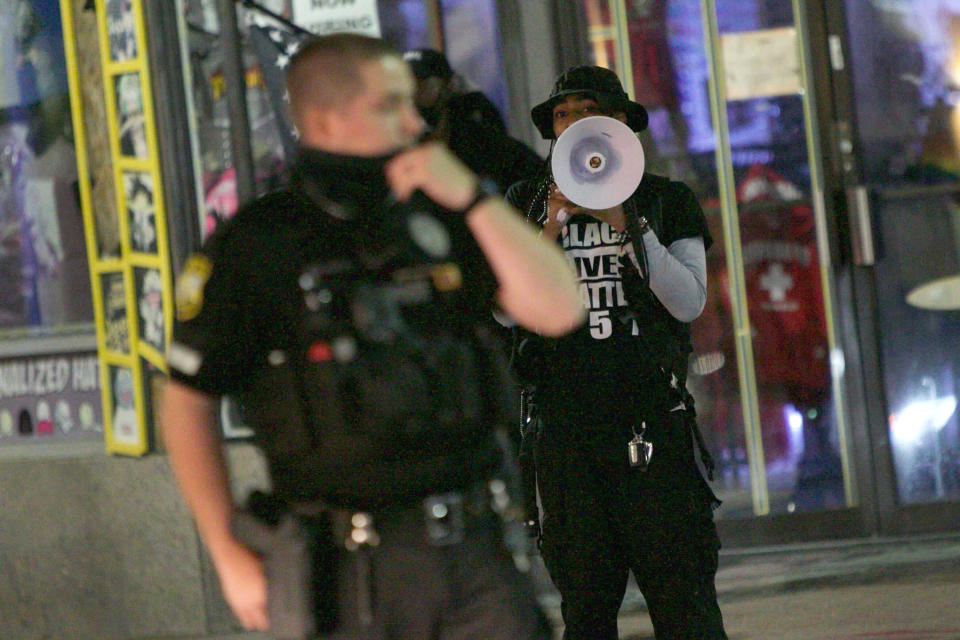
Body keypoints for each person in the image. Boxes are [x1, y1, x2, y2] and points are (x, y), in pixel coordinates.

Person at [160, 34, 585, 639]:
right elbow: (184, 402)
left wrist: (470, 198)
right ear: (326, 121)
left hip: (477, 550)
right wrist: (226, 549)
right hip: (348, 569)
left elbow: (560, 309)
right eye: (390, 106)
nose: (414, 121)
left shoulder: (438, 211)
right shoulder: (258, 246)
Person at [506, 66, 728, 639]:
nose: (574, 124)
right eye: (563, 115)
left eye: (588, 111)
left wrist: (629, 226)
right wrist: (548, 228)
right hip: (564, 429)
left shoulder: (665, 199)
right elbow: (505, 309)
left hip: (649, 418)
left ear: (621, 122)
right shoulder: (525, 200)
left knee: (683, 600)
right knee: (585, 605)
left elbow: (687, 303)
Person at [403, 47, 545, 194]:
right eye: (402, 89)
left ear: (447, 87)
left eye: (424, 88)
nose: (412, 99)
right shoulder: (392, 155)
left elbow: (541, 185)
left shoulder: (488, 147)